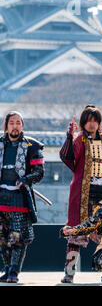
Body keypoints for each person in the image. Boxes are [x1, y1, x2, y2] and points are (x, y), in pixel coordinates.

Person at [59, 105, 102, 283]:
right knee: (75, 231)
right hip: (81, 193)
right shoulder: (78, 140)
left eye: (95, 121)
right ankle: (69, 273)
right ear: (83, 123)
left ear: (99, 123)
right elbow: (67, 157)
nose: (92, 124)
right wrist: (69, 137)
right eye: (88, 121)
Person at [0, 111, 45, 283]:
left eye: (18, 122)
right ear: (6, 125)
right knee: (2, 238)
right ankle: (6, 269)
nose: (15, 126)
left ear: (22, 125)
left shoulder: (32, 147)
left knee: (16, 237)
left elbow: (39, 171)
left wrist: (26, 179)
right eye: (12, 122)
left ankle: (14, 271)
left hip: (19, 196)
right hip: (0, 196)